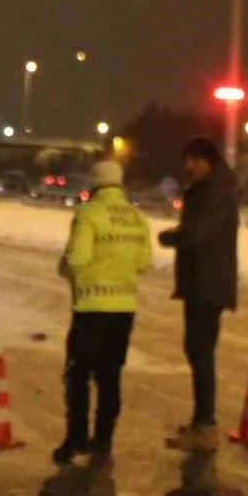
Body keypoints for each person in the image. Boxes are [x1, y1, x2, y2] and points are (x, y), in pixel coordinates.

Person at [54, 158, 153, 464]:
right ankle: (104, 440)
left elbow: (78, 259)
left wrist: (65, 267)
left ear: (94, 183)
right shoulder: (137, 218)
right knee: (110, 377)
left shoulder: (88, 214)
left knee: (78, 375)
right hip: (124, 309)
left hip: (90, 309)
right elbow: (144, 263)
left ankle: (76, 440)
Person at [157, 138, 240, 450]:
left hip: (208, 284)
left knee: (200, 353)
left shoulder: (216, 193)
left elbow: (201, 234)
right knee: (197, 352)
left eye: (194, 160)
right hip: (201, 283)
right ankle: (201, 424)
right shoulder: (208, 190)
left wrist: (173, 237)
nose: (188, 166)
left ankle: (205, 427)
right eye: (186, 160)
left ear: (209, 161)